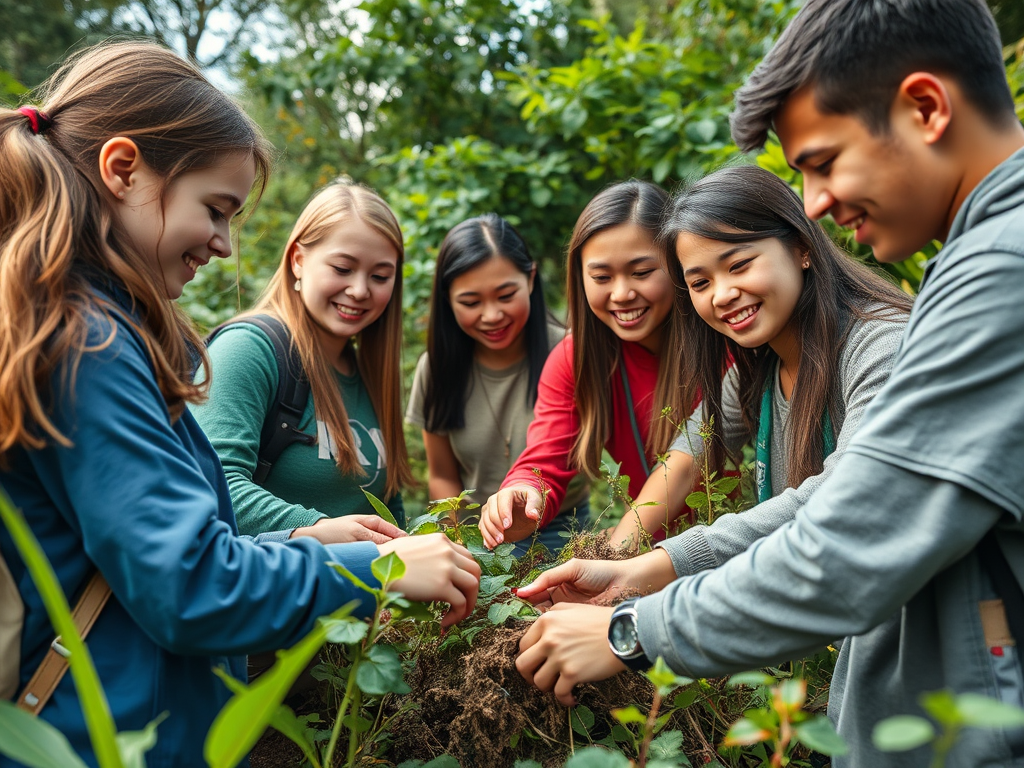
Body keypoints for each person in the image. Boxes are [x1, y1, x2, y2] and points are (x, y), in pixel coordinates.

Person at [513, 2, 1024, 766]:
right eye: (699, 279)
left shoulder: (996, 277)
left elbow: (854, 538)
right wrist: (638, 565)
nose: (815, 201)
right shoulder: (974, 266)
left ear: (926, 107)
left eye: (823, 161)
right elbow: (835, 496)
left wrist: (633, 631)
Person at [0, 42, 479, 768]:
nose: (224, 244)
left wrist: (297, 545)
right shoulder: (85, 343)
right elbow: (189, 587)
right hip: (101, 740)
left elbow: (153, 553)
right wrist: (374, 573)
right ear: (122, 169)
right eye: (215, 210)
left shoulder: (82, 325)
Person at [606, 165, 911, 560]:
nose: (722, 294)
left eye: (739, 265)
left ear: (802, 247)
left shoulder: (881, 343)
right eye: (700, 283)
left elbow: (847, 488)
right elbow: (684, 461)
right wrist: (612, 556)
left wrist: (669, 561)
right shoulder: (758, 367)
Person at [479, 181, 692, 550]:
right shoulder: (574, 360)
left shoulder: (724, 342)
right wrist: (523, 492)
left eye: (641, 272)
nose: (622, 293)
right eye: (602, 277)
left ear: (677, 265)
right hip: (646, 549)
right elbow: (547, 455)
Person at [193, 182, 411, 542]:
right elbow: (211, 484)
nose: (360, 289)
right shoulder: (248, 350)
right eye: (342, 268)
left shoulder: (372, 374)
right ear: (298, 260)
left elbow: (388, 508)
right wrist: (318, 529)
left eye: (380, 276)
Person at [405, 214, 589, 555]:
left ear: (531, 279)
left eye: (505, 295)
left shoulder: (568, 353)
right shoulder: (436, 369)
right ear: (447, 299)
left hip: (565, 528)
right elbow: (443, 475)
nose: (491, 316)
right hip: (479, 536)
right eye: (471, 303)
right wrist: (460, 542)